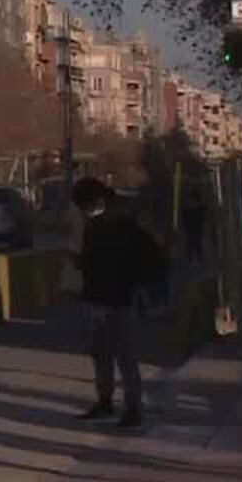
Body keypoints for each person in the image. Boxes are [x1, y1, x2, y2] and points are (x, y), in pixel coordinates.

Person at [73, 178, 165, 429]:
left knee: (122, 357)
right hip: (99, 299)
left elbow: (151, 263)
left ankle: (130, 407)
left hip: (117, 301)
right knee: (105, 356)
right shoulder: (98, 227)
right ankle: (109, 403)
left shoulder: (127, 231)